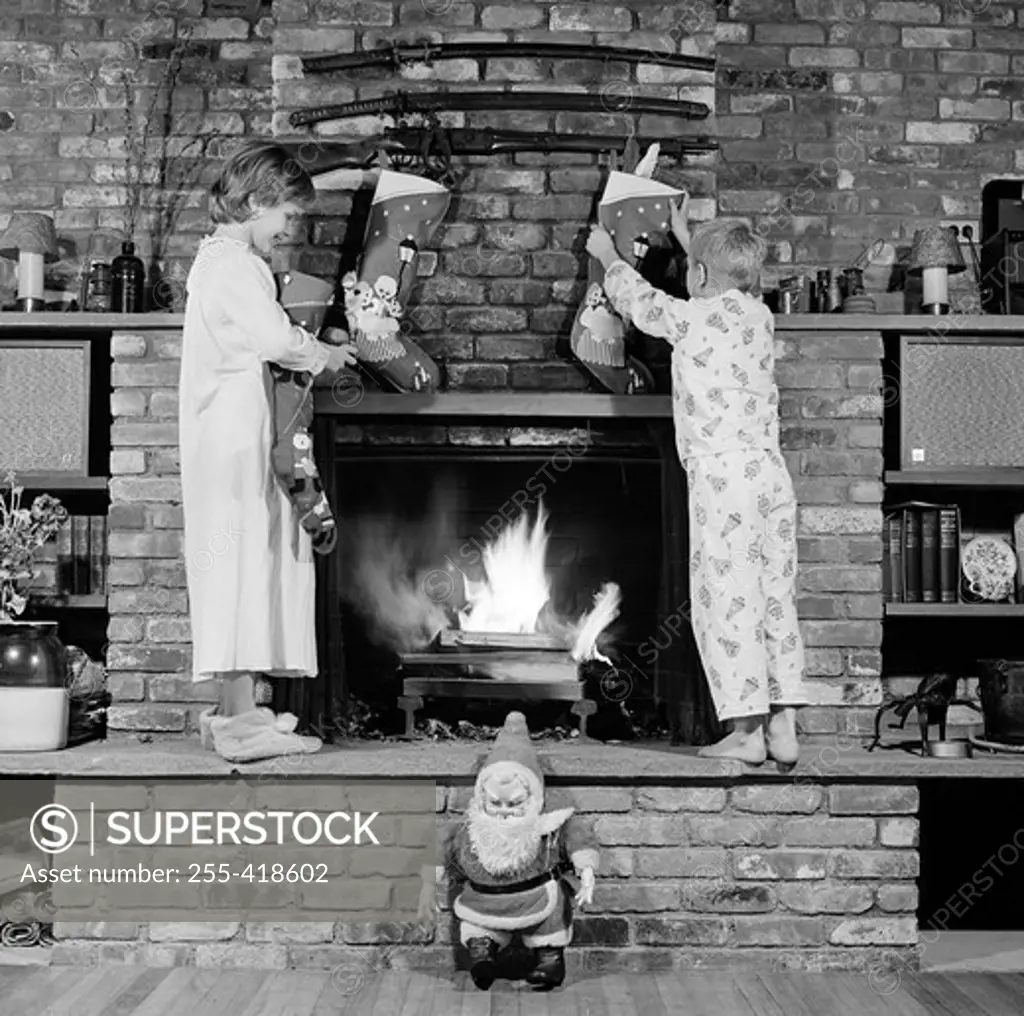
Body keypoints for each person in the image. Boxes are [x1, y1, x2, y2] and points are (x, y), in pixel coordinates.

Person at [585, 196, 807, 768]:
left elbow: (641, 304)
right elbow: (725, 284)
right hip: (770, 477)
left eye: (691, 268)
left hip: (722, 477)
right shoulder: (759, 315)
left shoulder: (691, 317)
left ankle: (745, 732)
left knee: (726, 600)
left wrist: (608, 254)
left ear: (700, 276)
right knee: (772, 597)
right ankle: (783, 724)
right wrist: (691, 242)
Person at [179, 141, 358, 762]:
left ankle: (241, 711)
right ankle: (238, 724)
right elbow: (274, 338)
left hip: (239, 434)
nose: (290, 230)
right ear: (255, 202)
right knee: (238, 567)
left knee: (249, 567)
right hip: (236, 438)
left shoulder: (227, 260)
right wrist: (324, 355)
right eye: (286, 216)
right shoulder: (230, 264)